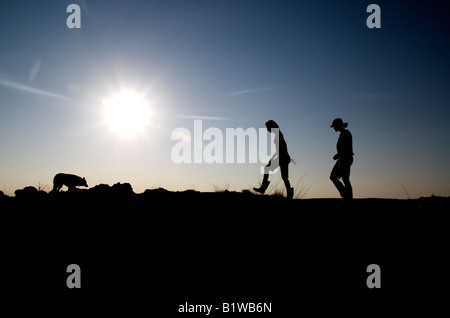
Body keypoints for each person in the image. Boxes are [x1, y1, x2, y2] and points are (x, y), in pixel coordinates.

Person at [253, 120, 294, 199]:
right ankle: (289, 195)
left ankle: (263, 189)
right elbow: (279, 148)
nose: (267, 129)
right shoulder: (277, 133)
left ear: (271, 126)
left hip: (283, 158)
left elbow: (281, 147)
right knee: (284, 177)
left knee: (269, 170)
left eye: (267, 127)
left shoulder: (278, 134)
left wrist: (274, 159)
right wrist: (272, 158)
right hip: (283, 157)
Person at [330, 118, 354, 202]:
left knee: (344, 179)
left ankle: (346, 197)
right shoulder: (343, 134)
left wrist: (338, 155)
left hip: (345, 158)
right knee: (342, 178)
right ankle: (346, 196)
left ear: (338, 125)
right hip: (342, 159)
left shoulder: (346, 133)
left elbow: (347, 148)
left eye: (334, 126)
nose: (334, 128)